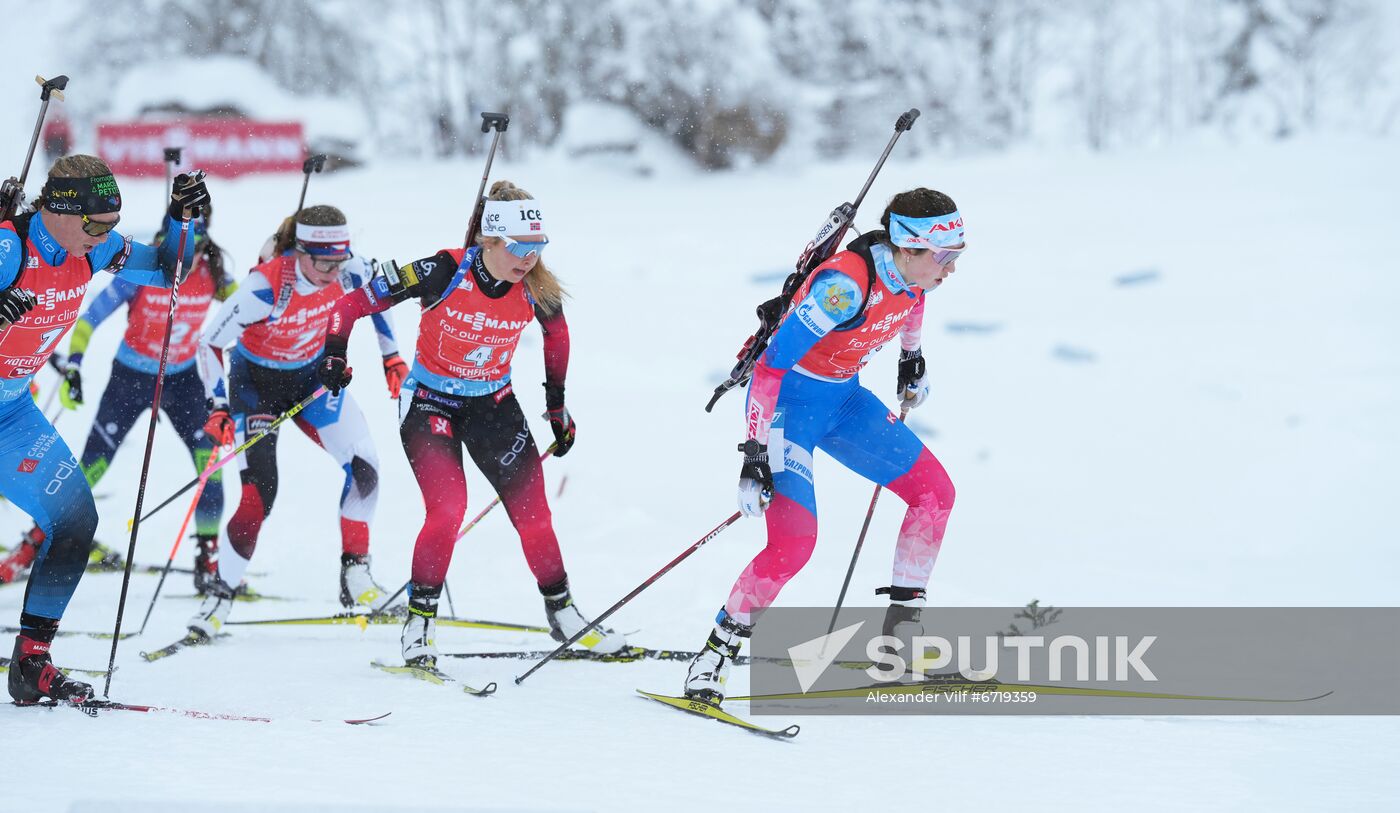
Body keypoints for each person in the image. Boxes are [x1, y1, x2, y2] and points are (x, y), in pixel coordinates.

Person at [318, 180, 626, 669]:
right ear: (491, 239)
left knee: (535, 516)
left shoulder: (536, 287)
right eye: (519, 248)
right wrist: (335, 354)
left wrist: (557, 406)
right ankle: (419, 625)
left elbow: (557, 337)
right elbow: (350, 304)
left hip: (494, 405)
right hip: (429, 405)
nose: (529, 258)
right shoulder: (442, 269)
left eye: (537, 247)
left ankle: (564, 614)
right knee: (447, 511)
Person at [682, 188, 965, 704]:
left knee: (935, 494)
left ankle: (901, 640)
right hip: (789, 408)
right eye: (944, 257)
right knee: (794, 544)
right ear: (907, 247)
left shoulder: (914, 277)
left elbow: (913, 303)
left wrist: (911, 358)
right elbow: (770, 366)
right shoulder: (843, 287)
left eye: (957, 257)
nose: (950, 269)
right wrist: (754, 456)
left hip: (845, 402)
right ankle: (714, 656)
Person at [0, 154, 206, 702]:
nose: (106, 236)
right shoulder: (8, 248)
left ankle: (31, 662)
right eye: (96, 224)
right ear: (59, 210)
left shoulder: (92, 250)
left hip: (12, 412)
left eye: (113, 225)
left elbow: (169, 270)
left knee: (74, 518)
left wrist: (181, 221)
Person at [187, 204, 406, 641]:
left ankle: (355, 576)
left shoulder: (350, 269)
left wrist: (391, 355)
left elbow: (377, 296)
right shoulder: (263, 288)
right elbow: (209, 344)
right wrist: (217, 405)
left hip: (312, 379)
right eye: (323, 262)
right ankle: (221, 592)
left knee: (365, 468)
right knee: (258, 497)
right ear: (301, 252)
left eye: (339, 261)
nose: (332, 272)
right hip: (257, 388)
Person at [0, 206, 236, 593]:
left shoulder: (216, 278)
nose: (184, 257)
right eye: (170, 245)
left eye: (196, 246)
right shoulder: (142, 277)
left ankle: (207, 558)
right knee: (89, 468)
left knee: (210, 462)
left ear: (206, 246)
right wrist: (74, 365)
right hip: (131, 378)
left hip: (183, 380)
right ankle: (32, 544)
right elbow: (91, 318)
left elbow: (250, 311)